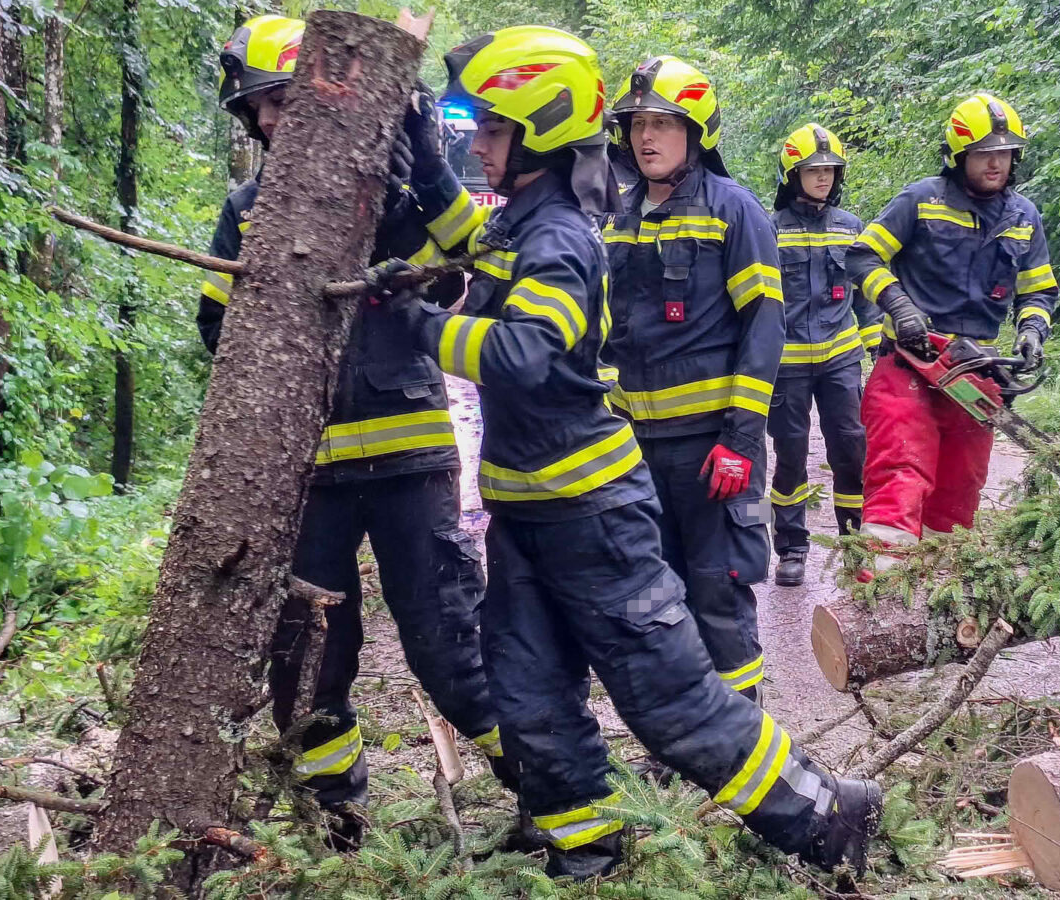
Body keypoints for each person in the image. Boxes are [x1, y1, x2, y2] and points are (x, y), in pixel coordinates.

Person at [374, 25, 881, 880]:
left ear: (537, 131)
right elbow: (468, 230)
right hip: (528, 513)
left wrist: (418, 325)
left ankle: (824, 815)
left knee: (669, 695)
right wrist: (422, 156)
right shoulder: (529, 225)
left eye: (494, 130)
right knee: (531, 696)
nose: (483, 147)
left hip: (594, 514)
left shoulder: (564, 238)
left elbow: (525, 356)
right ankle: (586, 853)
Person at [203, 14, 512, 848]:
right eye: (256, 112)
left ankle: (547, 794)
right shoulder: (245, 213)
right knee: (306, 664)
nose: (266, 123)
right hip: (307, 481)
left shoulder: (399, 193)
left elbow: (480, 261)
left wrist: (427, 161)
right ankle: (337, 826)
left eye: (277, 103)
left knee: (450, 646)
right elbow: (216, 338)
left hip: (410, 460)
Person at [600, 56, 783, 700]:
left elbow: (764, 330)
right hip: (633, 450)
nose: (646, 137)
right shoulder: (614, 218)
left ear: (696, 132)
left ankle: (746, 732)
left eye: (663, 124)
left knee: (719, 588)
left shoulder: (734, 210)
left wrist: (740, 440)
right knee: (652, 594)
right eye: (637, 124)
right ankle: (682, 735)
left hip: (714, 449)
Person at [844, 93, 1058, 574]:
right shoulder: (921, 199)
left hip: (975, 371)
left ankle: (938, 602)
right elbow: (862, 255)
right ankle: (878, 597)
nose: (995, 162)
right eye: (984, 153)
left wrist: (1031, 333)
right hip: (911, 364)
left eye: (1004, 153)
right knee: (900, 474)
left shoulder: (1023, 217)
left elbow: (1040, 291)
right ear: (959, 155)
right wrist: (899, 305)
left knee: (960, 492)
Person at [767, 124, 882, 587]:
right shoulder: (768, 229)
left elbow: (865, 299)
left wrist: (880, 347)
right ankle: (792, 550)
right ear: (792, 175)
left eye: (830, 171)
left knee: (851, 452)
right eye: (813, 170)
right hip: (787, 364)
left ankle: (854, 546)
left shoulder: (850, 227)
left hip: (840, 359)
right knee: (791, 455)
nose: (823, 178)